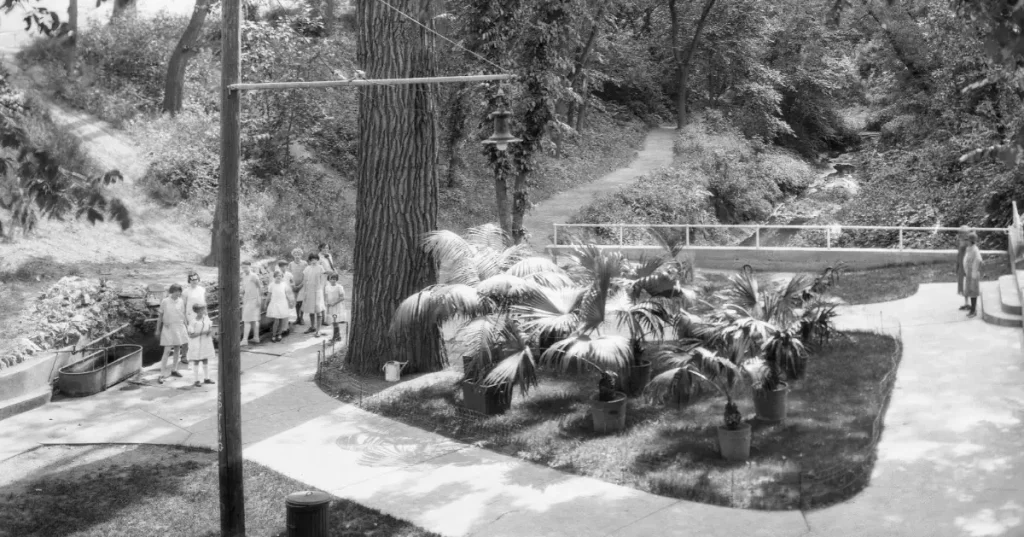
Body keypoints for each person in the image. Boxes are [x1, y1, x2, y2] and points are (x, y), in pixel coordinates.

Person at [157, 283, 188, 384]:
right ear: (172, 291)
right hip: (168, 328)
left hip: (179, 327)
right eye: (176, 291)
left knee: (177, 348)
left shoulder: (181, 301)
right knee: (166, 350)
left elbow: (183, 315)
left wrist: (187, 328)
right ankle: (161, 374)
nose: (178, 293)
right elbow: (160, 316)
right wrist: (157, 329)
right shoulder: (165, 301)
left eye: (179, 291)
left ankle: (174, 369)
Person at [187, 303, 216, 387]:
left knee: (205, 359)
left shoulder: (206, 319)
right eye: (201, 310)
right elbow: (191, 335)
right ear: (197, 311)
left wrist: (210, 331)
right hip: (196, 343)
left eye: (204, 309)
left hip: (205, 342)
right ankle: (196, 379)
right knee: (196, 360)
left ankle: (206, 378)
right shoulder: (193, 322)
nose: (203, 311)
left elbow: (210, 326)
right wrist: (203, 332)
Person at [181, 271, 207, 365]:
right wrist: (184, 319)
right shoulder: (186, 292)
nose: (194, 281)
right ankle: (184, 356)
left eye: (196, 279)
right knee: (188, 335)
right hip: (190, 315)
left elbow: (204, 303)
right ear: (189, 280)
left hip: (200, 315)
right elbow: (183, 306)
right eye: (192, 280)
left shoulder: (202, 289)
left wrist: (206, 315)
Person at [265, 270, 296, 343]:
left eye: (280, 276)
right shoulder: (271, 285)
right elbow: (269, 295)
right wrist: (266, 303)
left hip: (283, 303)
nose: (278, 277)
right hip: (275, 303)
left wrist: (290, 302)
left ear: (282, 277)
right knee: (276, 320)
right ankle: (273, 334)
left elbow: (287, 295)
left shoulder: (284, 285)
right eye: (277, 276)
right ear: (274, 277)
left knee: (282, 320)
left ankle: (279, 334)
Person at [301, 254, 326, 336]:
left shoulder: (321, 268)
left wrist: (320, 290)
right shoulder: (307, 268)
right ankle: (312, 327)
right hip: (309, 291)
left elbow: (323, 281)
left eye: (315, 259)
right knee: (311, 310)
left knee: (318, 311)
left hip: (318, 291)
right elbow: (305, 280)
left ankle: (318, 330)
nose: (314, 261)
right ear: (310, 260)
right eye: (312, 260)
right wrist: (305, 291)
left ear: (318, 260)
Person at [240, 261, 264, 345]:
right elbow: (245, 288)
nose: (244, 269)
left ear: (250, 267)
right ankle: (256, 338)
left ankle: (244, 340)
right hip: (247, 299)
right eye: (243, 267)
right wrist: (242, 292)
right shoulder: (243, 276)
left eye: (246, 267)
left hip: (254, 299)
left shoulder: (254, 276)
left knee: (248, 320)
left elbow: (260, 287)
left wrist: (259, 299)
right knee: (253, 320)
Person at [963, 232, 983, 318]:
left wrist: (974, 271)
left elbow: (979, 260)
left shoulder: (975, 249)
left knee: (973, 292)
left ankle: (973, 310)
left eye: (967, 240)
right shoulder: (969, 248)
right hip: (968, 273)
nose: (966, 241)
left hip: (973, 273)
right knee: (969, 291)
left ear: (971, 241)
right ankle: (972, 308)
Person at [324, 272, 346, 342]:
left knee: (335, 322)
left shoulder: (339, 287)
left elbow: (342, 297)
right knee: (333, 322)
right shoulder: (327, 287)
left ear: (336, 279)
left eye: (334, 279)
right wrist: (327, 303)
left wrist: (334, 303)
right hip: (330, 306)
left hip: (337, 306)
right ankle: (337, 336)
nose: (333, 280)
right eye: (331, 279)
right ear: (329, 279)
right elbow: (326, 296)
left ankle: (336, 337)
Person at [317, 243, 335, 327]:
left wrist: (333, 272)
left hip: (329, 278)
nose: (325, 249)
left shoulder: (329, 256)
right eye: (323, 248)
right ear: (320, 248)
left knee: (328, 297)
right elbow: (317, 268)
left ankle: (327, 318)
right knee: (321, 298)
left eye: (327, 248)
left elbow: (331, 266)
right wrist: (326, 272)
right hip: (321, 279)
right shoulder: (318, 257)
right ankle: (321, 319)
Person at [288, 248, 307, 325]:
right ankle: (297, 318)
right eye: (295, 254)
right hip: (294, 286)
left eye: (298, 254)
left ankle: (301, 317)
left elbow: (306, 275)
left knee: (301, 302)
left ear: (301, 255)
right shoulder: (291, 264)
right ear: (293, 255)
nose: (297, 256)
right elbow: (289, 276)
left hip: (302, 285)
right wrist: (293, 285)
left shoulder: (304, 263)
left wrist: (301, 285)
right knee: (296, 303)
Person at [956, 226, 971, 311]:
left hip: (967, 269)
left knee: (968, 286)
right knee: (964, 286)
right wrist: (957, 267)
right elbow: (959, 256)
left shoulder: (968, 245)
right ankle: (966, 303)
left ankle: (970, 304)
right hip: (962, 268)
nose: (960, 237)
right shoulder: (961, 244)